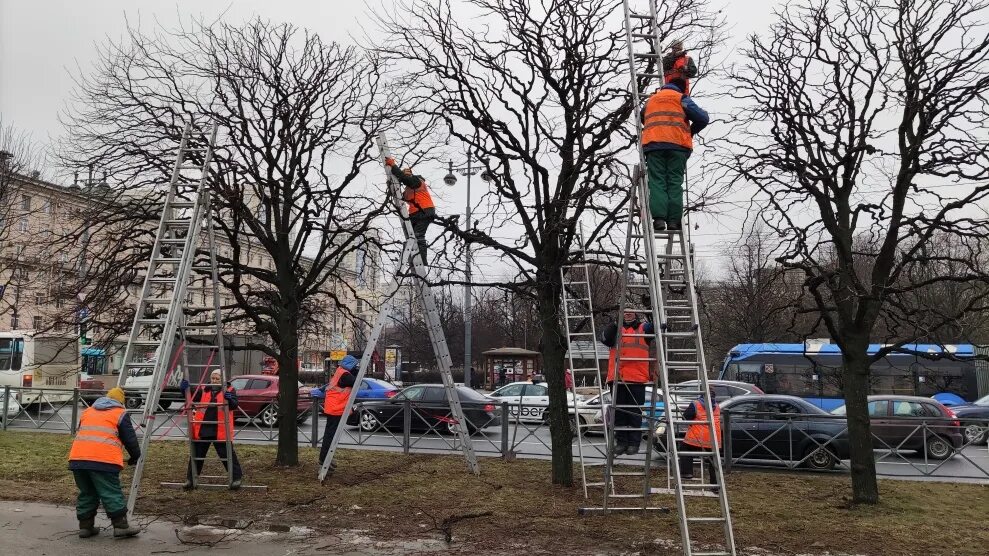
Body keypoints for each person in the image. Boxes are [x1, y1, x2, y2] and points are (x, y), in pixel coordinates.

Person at [68, 386, 141, 538]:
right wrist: (135, 456)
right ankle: (121, 526)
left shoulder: (88, 411)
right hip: (104, 460)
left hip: (78, 459)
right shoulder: (120, 413)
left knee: (87, 492)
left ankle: (85, 527)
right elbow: (130, 440)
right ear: (121, 402)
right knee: (111, 492)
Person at [640, 77, 710, 232]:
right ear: (681, 88)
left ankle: (659, 220)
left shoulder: (651, 100)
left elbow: (643, 116)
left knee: (657, 182)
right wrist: (690, 132)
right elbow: (703, 118)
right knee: (674, 183)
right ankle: (673, 221)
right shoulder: (681, 98)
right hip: (677, 147)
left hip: (654, 146)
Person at [600, 310, 655, 456]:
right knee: (619, 412)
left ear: (636, 314)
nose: (628, 314)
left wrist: (654, 311)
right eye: (624, 311)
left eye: (631, 311)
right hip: (617, 377)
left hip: (637, 377)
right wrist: (614, 324)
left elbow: (655, 327)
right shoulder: (615, 329)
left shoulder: (643, 328)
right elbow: (605, 339)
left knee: (634, 412)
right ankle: (622, 442)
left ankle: (634, 443)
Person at [180, 369, 242, 489]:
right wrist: (184, 389)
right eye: (213, 378)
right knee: (196, 455)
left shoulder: (229, 390)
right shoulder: (204, 389)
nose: (214, 381)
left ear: (223, 380)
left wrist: (230, 399)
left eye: (217, 379)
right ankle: (191, 480)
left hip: (220, 429)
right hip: (204, 428)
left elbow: (234, 405)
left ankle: (236, 478)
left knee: (227, 455)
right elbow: (191, 397)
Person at [384, 157, 436, 266]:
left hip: (424, 210)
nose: (406, 176)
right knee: (410, 237)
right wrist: (392, 186)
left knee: (418, 235)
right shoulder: (408, 189)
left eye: (407, 175)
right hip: (415, 213)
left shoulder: (417, 181)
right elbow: (401, 197)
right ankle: (411, 258)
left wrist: (393, 165)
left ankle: (421, 261)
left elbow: (404, 178)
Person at [316, 354, 359, 470]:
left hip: (333, 407)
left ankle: (325, 458)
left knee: (330, 435)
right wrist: (358, 373)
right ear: (350, 365)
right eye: (355, 366)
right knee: (330, 436)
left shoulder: (341, 372)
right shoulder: (345, 375)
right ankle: (324, 459)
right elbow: (356, 381)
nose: (356, 368)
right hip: (336, 408)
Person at [679, 387, 722, 485]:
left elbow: (685, 417)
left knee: (685, 449)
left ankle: (687, 472)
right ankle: (715, 485)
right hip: (714, 439)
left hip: (697, 437)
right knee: (714, 462)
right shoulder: (717, 406)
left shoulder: (696, 404)